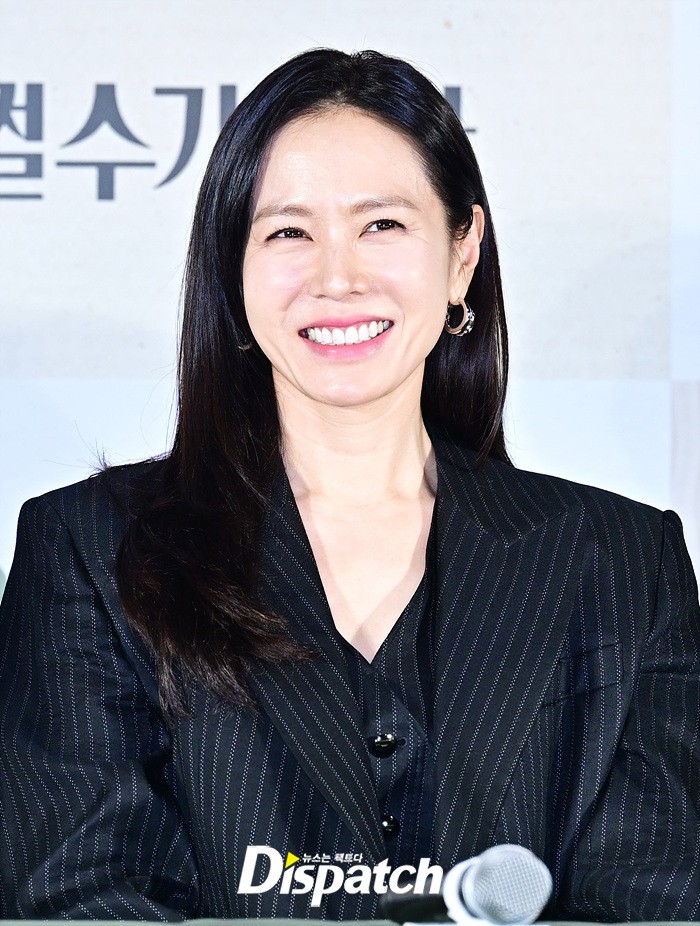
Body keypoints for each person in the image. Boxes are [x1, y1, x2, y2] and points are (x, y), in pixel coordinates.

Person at [0, 47, 698, 922]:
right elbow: (75, 895)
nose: (337, 278)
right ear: (233, 268)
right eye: (288, 233)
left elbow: (656, 898)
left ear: (462, 253)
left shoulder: (626, 561)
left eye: (383, 226)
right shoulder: (92, 550)